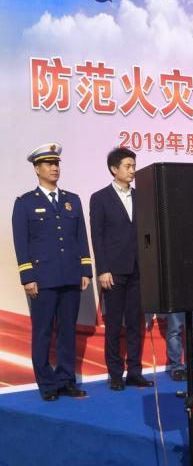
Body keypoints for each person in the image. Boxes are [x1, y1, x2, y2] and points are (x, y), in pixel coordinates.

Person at [12, 143, 92, 401]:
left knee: (68, 331)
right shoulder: (25, 203)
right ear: (37, 169)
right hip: (43, 279)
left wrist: (85, 270)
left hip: (70, 275)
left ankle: (66, 380)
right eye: (48, 164)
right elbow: (21, 243)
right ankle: (47, 384)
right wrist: (28, 276)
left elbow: (81, 237)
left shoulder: (72, 200)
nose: (54, 168)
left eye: (56, 163)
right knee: (43, 332)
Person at [90, 148, 153, 390]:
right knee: (115, 325)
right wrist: (103, 269)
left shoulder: (141, 197)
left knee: (135, 324)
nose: (132, 170)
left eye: (133, 166)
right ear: (114, 169)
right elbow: (97, 237)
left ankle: (134, 371)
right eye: (127, 166)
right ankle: (115, 373)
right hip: (113, 272)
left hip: (138, 270)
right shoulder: (100, 198)